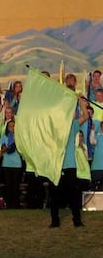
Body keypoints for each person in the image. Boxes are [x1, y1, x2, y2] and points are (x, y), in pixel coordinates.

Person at [48, 73, 88, 228]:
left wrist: (80, 101)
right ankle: (55, 220)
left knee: (73, 194)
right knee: (54, 194)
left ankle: (77, 220)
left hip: (70, 164)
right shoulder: (55, 126)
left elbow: (85, 115)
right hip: (57, 164)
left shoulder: (72, 125)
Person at [0, 119, 23, 209]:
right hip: (6, 164)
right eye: (10, 126)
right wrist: (10, 146)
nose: (12, 127)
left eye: (13, 126)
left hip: (17, 164)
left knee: (15, 185)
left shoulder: (19, 137)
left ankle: (16, 204)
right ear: (7, 127)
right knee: (8, 185)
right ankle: (8, 204)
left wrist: (10, 146)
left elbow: (21, 149)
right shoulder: (4, 137)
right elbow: (3, 149)